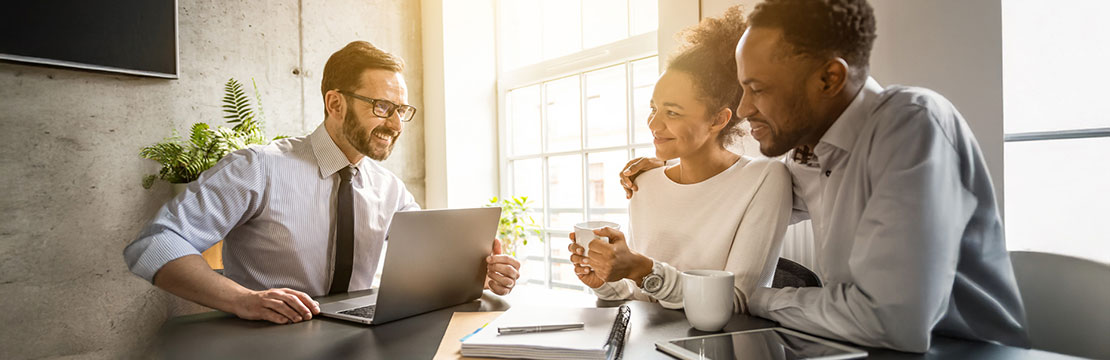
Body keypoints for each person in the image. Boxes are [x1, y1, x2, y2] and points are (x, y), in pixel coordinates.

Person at [619, 0, 1029, 353]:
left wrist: (754, 299)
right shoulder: (806, 156)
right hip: (856, 346)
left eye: (758, 88)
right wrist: (674, 170)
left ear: (828, 78)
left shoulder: (911, 126)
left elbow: (893, 323)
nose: (743, 109)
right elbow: (741, 192)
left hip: (961, 351)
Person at [124, 41, 521, 325]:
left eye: (401, 110)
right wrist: (245, 301)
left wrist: (476, 274)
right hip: (267, 339)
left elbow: (427, 264)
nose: (396, 124)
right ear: (335, 103)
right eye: (382, 107)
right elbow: (155, 243)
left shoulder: (390, 189)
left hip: (357, 338)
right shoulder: (259, 167)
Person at [568, 7, 792, 315]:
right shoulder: (643, 182)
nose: (654, 125)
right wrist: (603, 278)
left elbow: (736, 301)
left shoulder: (765, 178)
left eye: (672, 112)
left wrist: (642, 270)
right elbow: (639, 295)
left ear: (718, 119)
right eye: (653, 108)